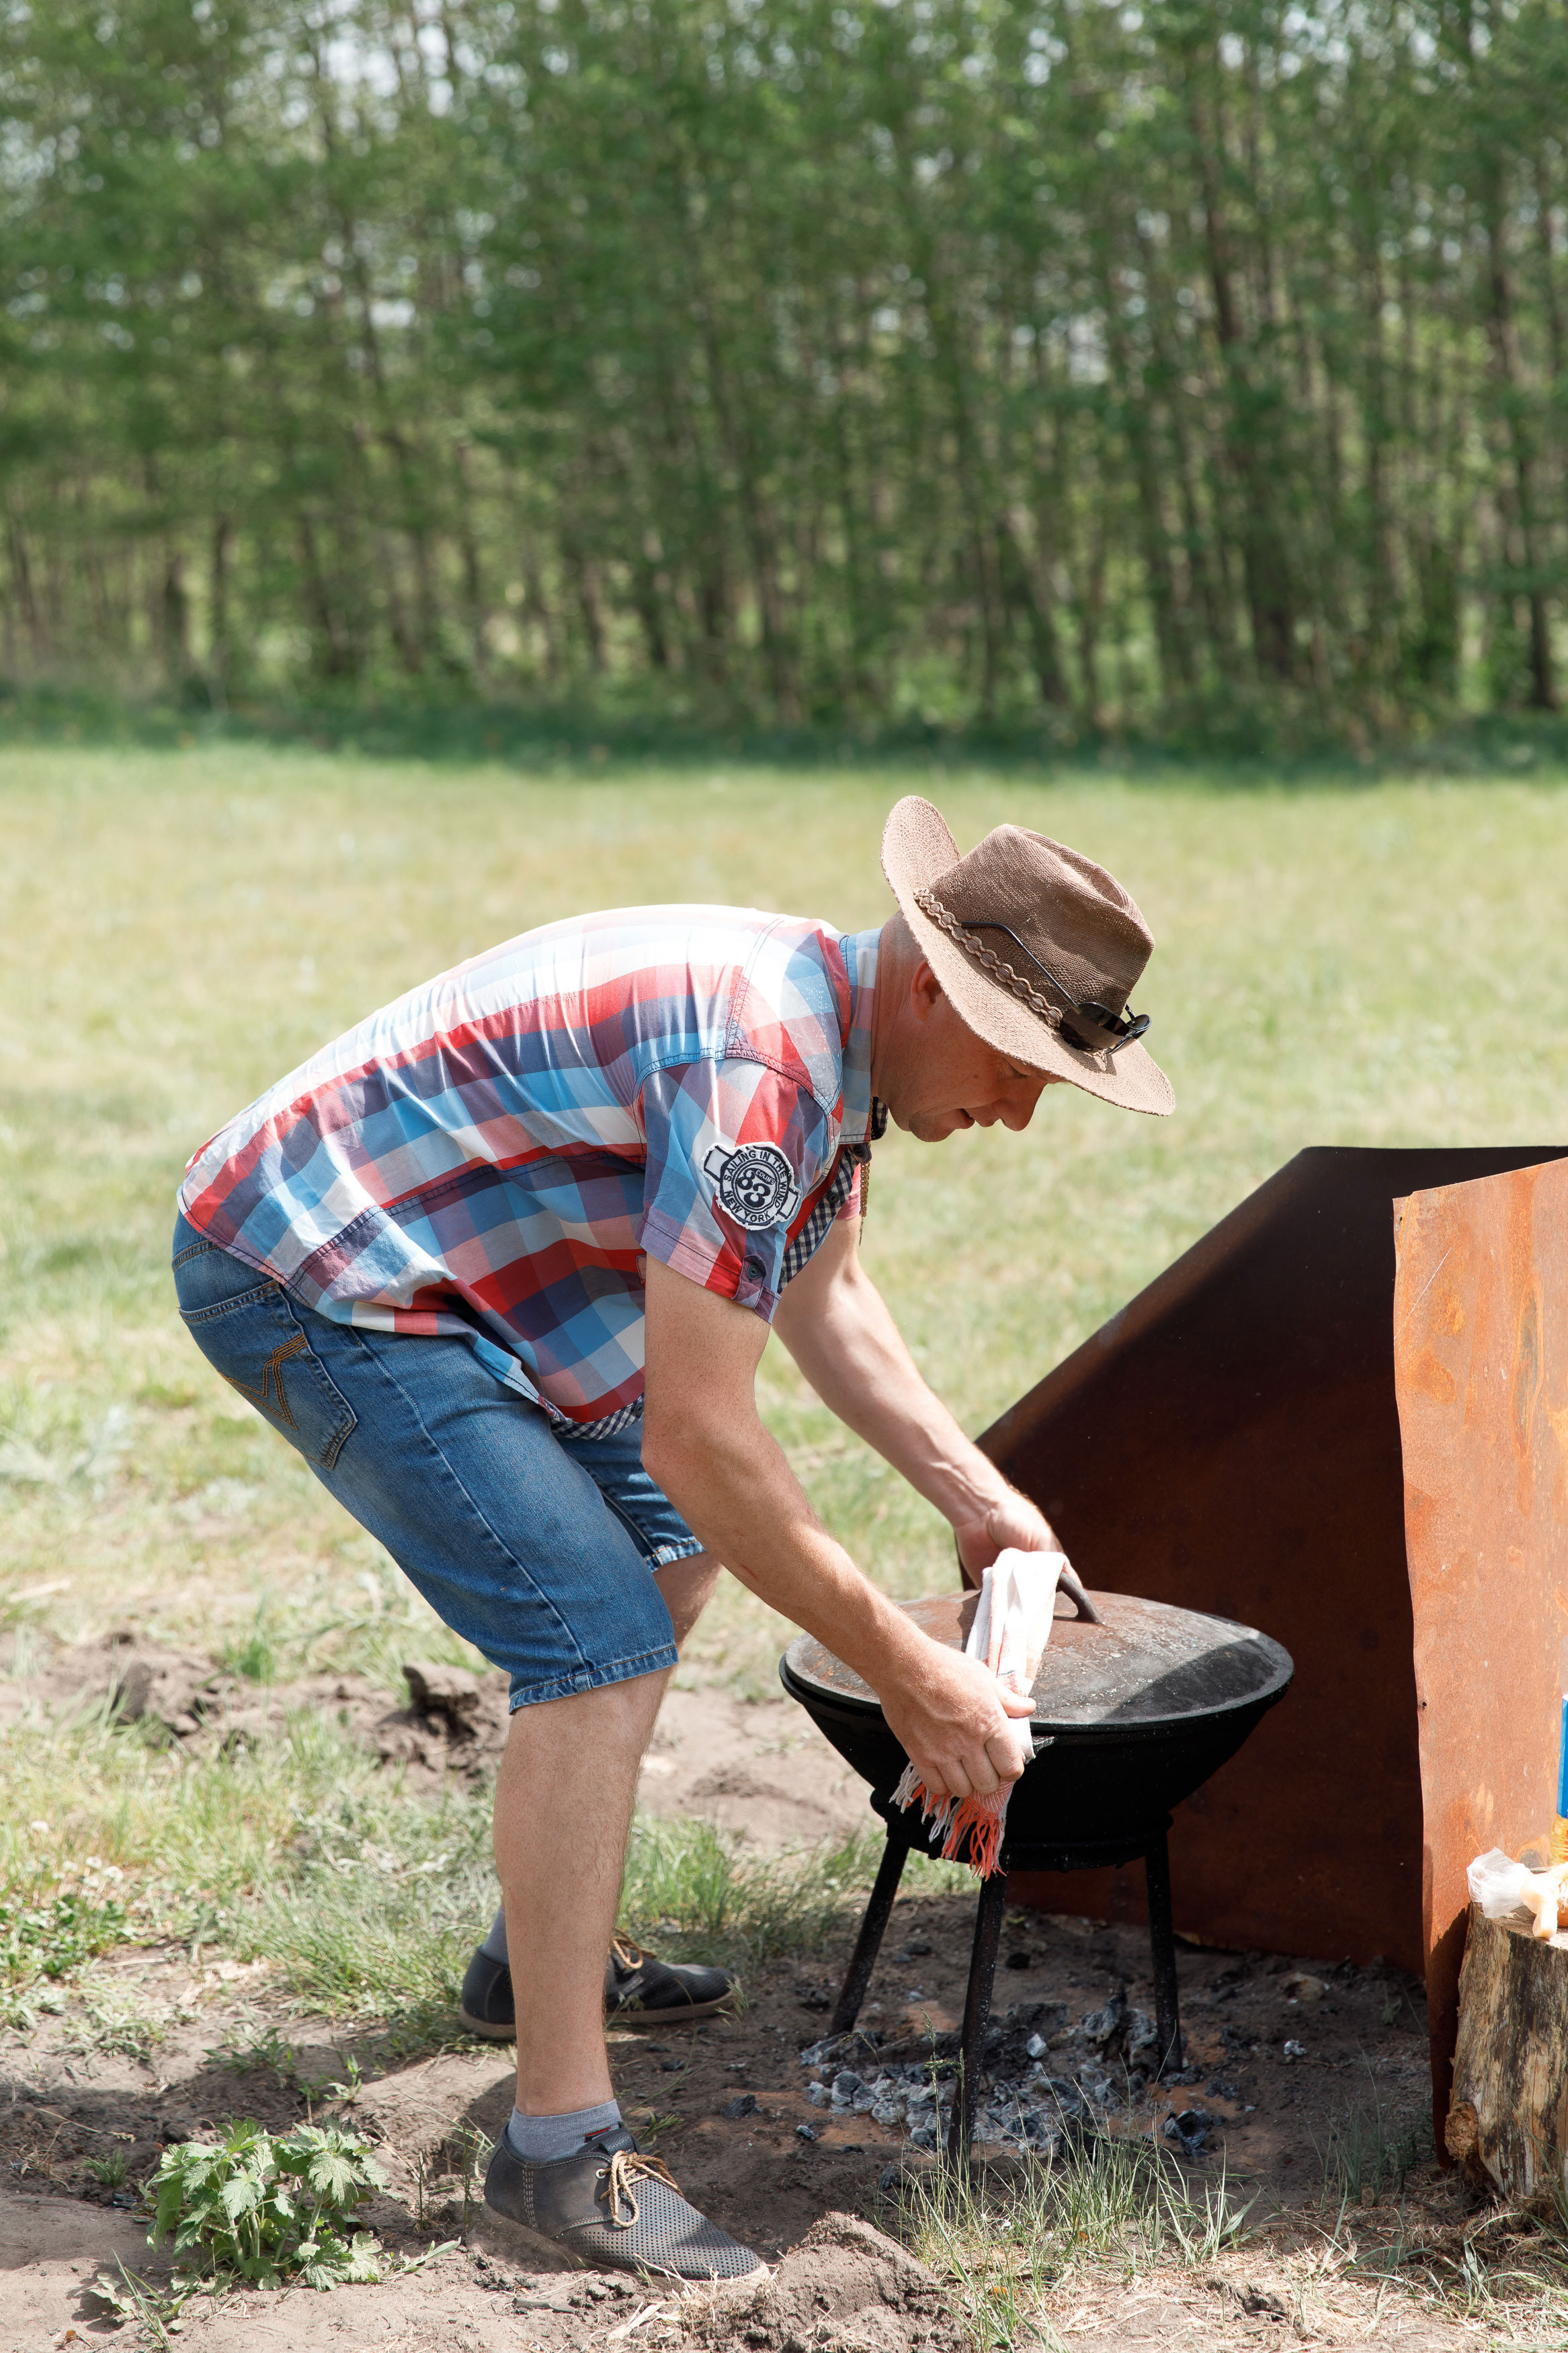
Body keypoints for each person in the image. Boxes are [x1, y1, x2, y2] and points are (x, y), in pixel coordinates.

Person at [171, 796, 1171, 2279]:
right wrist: (907, 1668)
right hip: (318, 1263)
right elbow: (701, 1434)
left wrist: (977, 1495)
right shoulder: (763, 1065)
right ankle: (557, 2157)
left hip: (474, 1268)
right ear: (926, 989)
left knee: (667, 1562)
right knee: (593, 1640)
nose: (1022, 1113)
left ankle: (539, 1961)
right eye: (1019, 1068)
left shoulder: (831, 1042)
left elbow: (824, 1295)